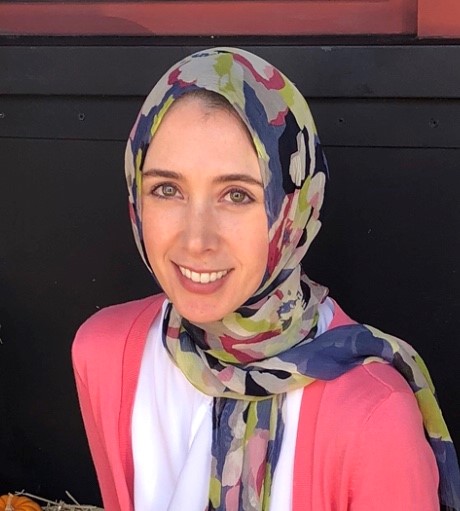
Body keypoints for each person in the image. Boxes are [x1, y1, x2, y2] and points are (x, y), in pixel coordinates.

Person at [72, 47, 460, 511]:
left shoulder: (374, 418)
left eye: (237, 195)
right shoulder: (106, 355)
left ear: (293, 211)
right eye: (167, 189)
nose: (196, 240)